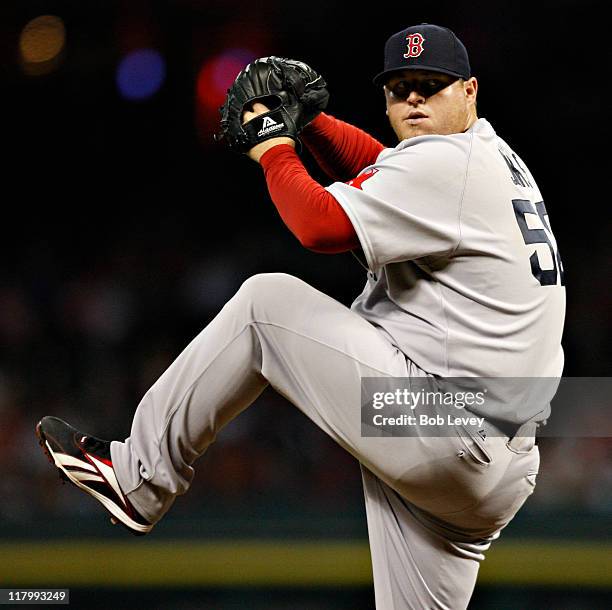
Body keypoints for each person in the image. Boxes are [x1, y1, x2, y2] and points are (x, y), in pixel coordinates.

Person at [36, 23, 565, 609]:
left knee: (266, 304)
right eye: (400, 87)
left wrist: (272, 143)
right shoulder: (486, 155)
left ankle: (139, 479)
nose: (414, 97)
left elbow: (320, 226)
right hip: (490, 462)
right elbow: (384, 168)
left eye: (432, 85)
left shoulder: (448, 167)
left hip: (447, 428)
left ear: (469, 90)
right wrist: (311, 123)